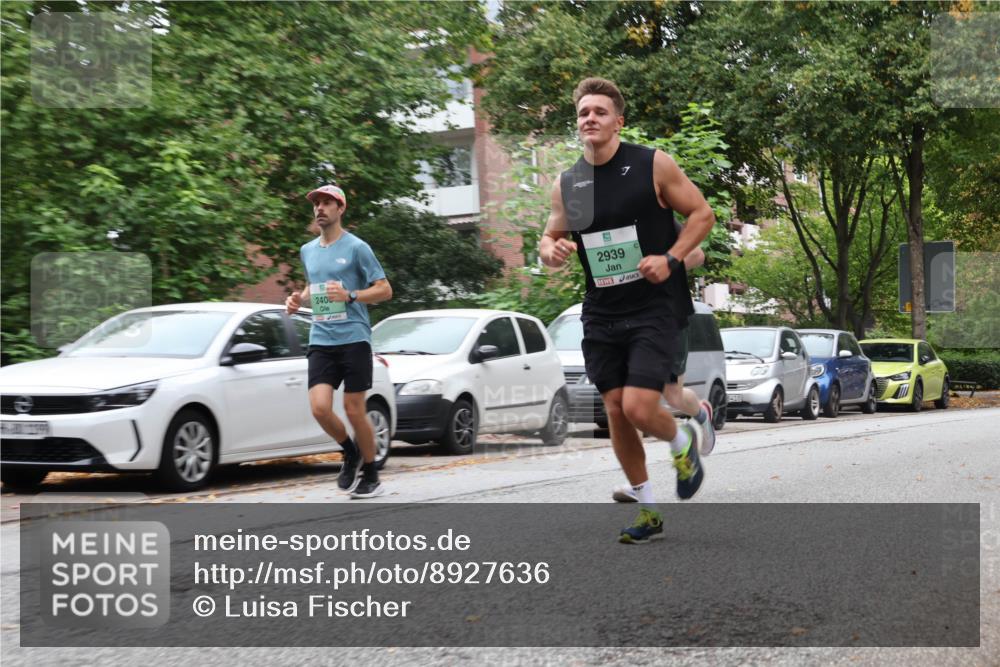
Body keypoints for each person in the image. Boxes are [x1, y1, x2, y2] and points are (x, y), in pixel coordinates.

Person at [539, 77, 716, 543]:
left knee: (639, 405)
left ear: (618, 121)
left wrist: (671, 258)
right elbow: (552, 234)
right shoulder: (569, 183)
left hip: (655, 305)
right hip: (601, 310)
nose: (589, 119)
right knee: (615, 409)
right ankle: (647, 508)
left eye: (599, 111)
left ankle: (682, 445)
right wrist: (548, 249)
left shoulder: (652, 164)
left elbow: (702, 214)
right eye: (583, 113)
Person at [286, 183, 392, 499]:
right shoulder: (307, 250)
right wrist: (297, 300)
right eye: (316, 203)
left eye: (327, 203)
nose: (320, 208)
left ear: (340, 209)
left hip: (355, 339)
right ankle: (350, 451)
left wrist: (351, 295)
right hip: (322, 338)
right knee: (319, 408)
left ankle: (371, 475)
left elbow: (385, 289)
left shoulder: (358, 248)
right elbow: (312, 286)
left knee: (354, 409)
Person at [612, 236, 717, 504]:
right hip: (628, 321)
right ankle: (636, 482)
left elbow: (698, 254)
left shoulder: (655, 215)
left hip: (669, 318)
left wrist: (667, 265)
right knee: (629, 401)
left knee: (673, 396)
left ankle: (701, 415)